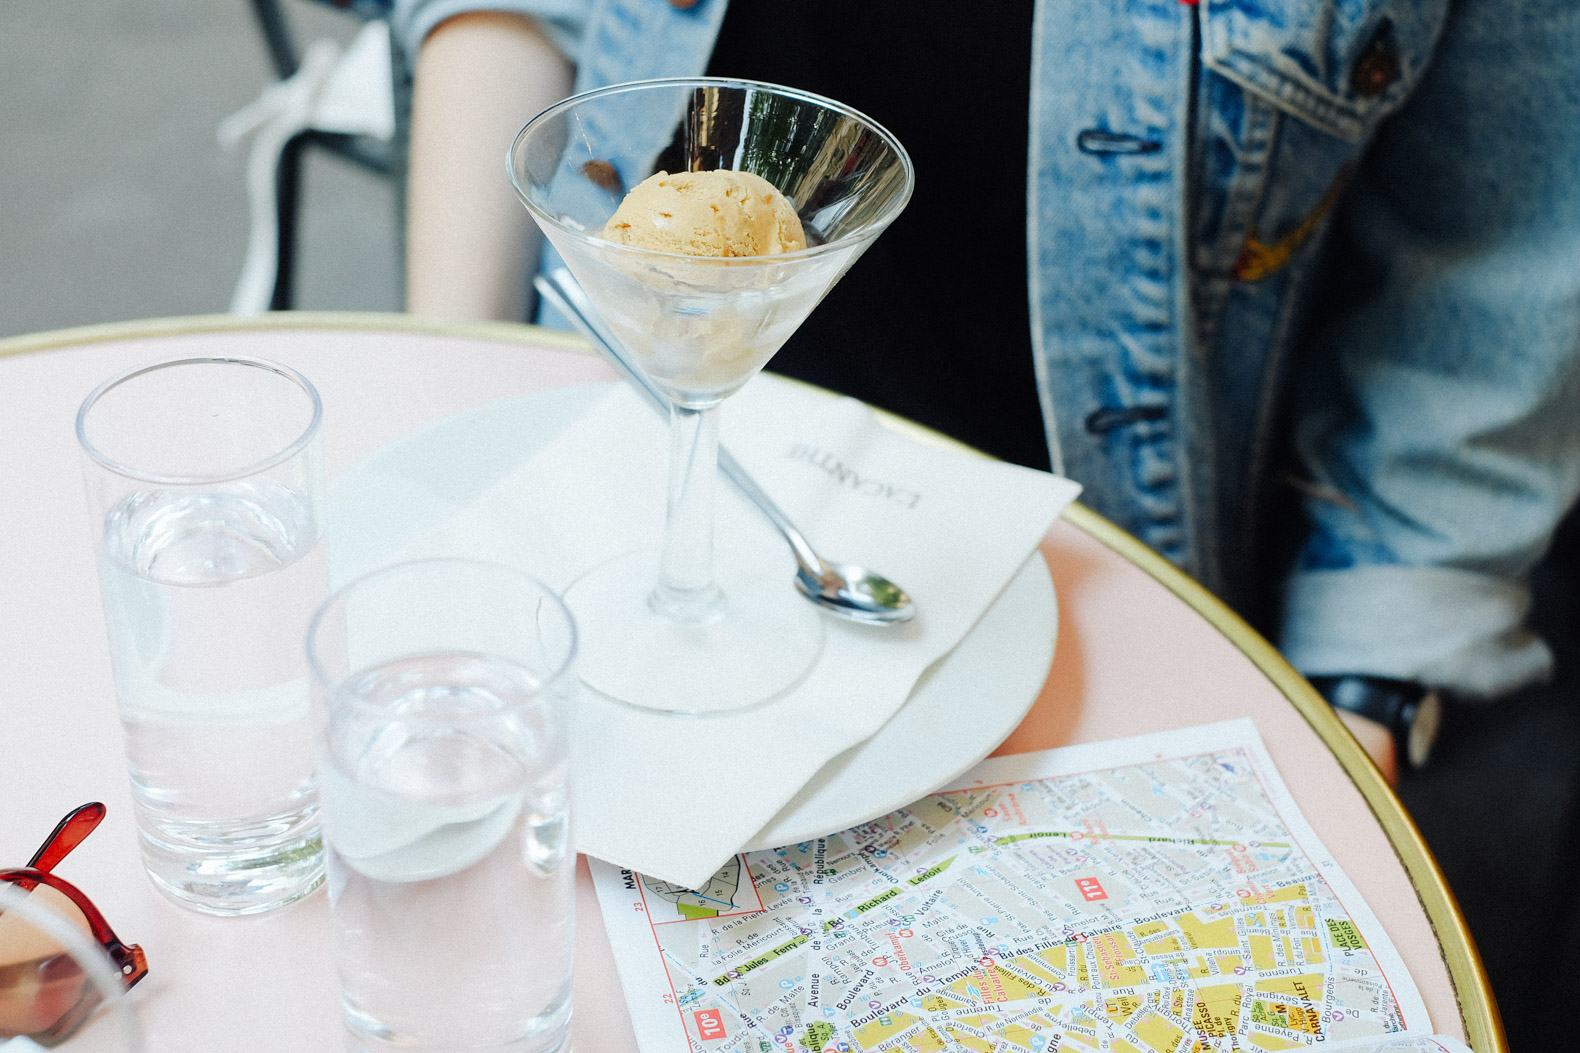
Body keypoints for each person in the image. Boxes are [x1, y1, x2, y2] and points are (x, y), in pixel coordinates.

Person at [392, 0, 1580, 782]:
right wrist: (451, 378)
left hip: (1099, 580)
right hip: (609, 434)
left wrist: (1359, 692)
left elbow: (1489, 257)